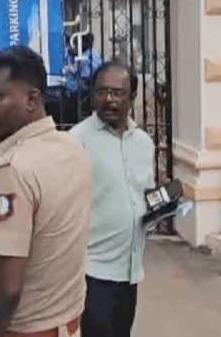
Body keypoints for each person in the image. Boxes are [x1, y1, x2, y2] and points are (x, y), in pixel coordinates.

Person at [0, 47, 93, 337]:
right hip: (70, 324)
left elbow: (7, 289)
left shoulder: (13, 171)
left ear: (32, 100)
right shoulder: (72, 148)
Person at [70, 61, 154, 337]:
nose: (109, 99)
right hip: (92, 273)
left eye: (118, 93)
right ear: (92, 95)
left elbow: (144, 196)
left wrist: (160, 208)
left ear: (132, 98)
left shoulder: (144, 143)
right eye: (102, 92)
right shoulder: (76, 141)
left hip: (130, 272)